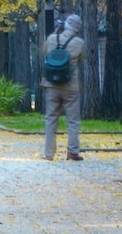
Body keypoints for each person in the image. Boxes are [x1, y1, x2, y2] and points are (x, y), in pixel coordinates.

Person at [36, 13, 88, 160]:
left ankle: (49, 153)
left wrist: (54, 34)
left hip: (51, 84)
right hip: (70, 86)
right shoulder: (79, 42)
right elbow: (81, 60)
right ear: (77, 29)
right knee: (73, 120)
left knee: (51, 118)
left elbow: (44, 52)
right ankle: (72, 152)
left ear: (65, 25)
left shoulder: (52, 39)